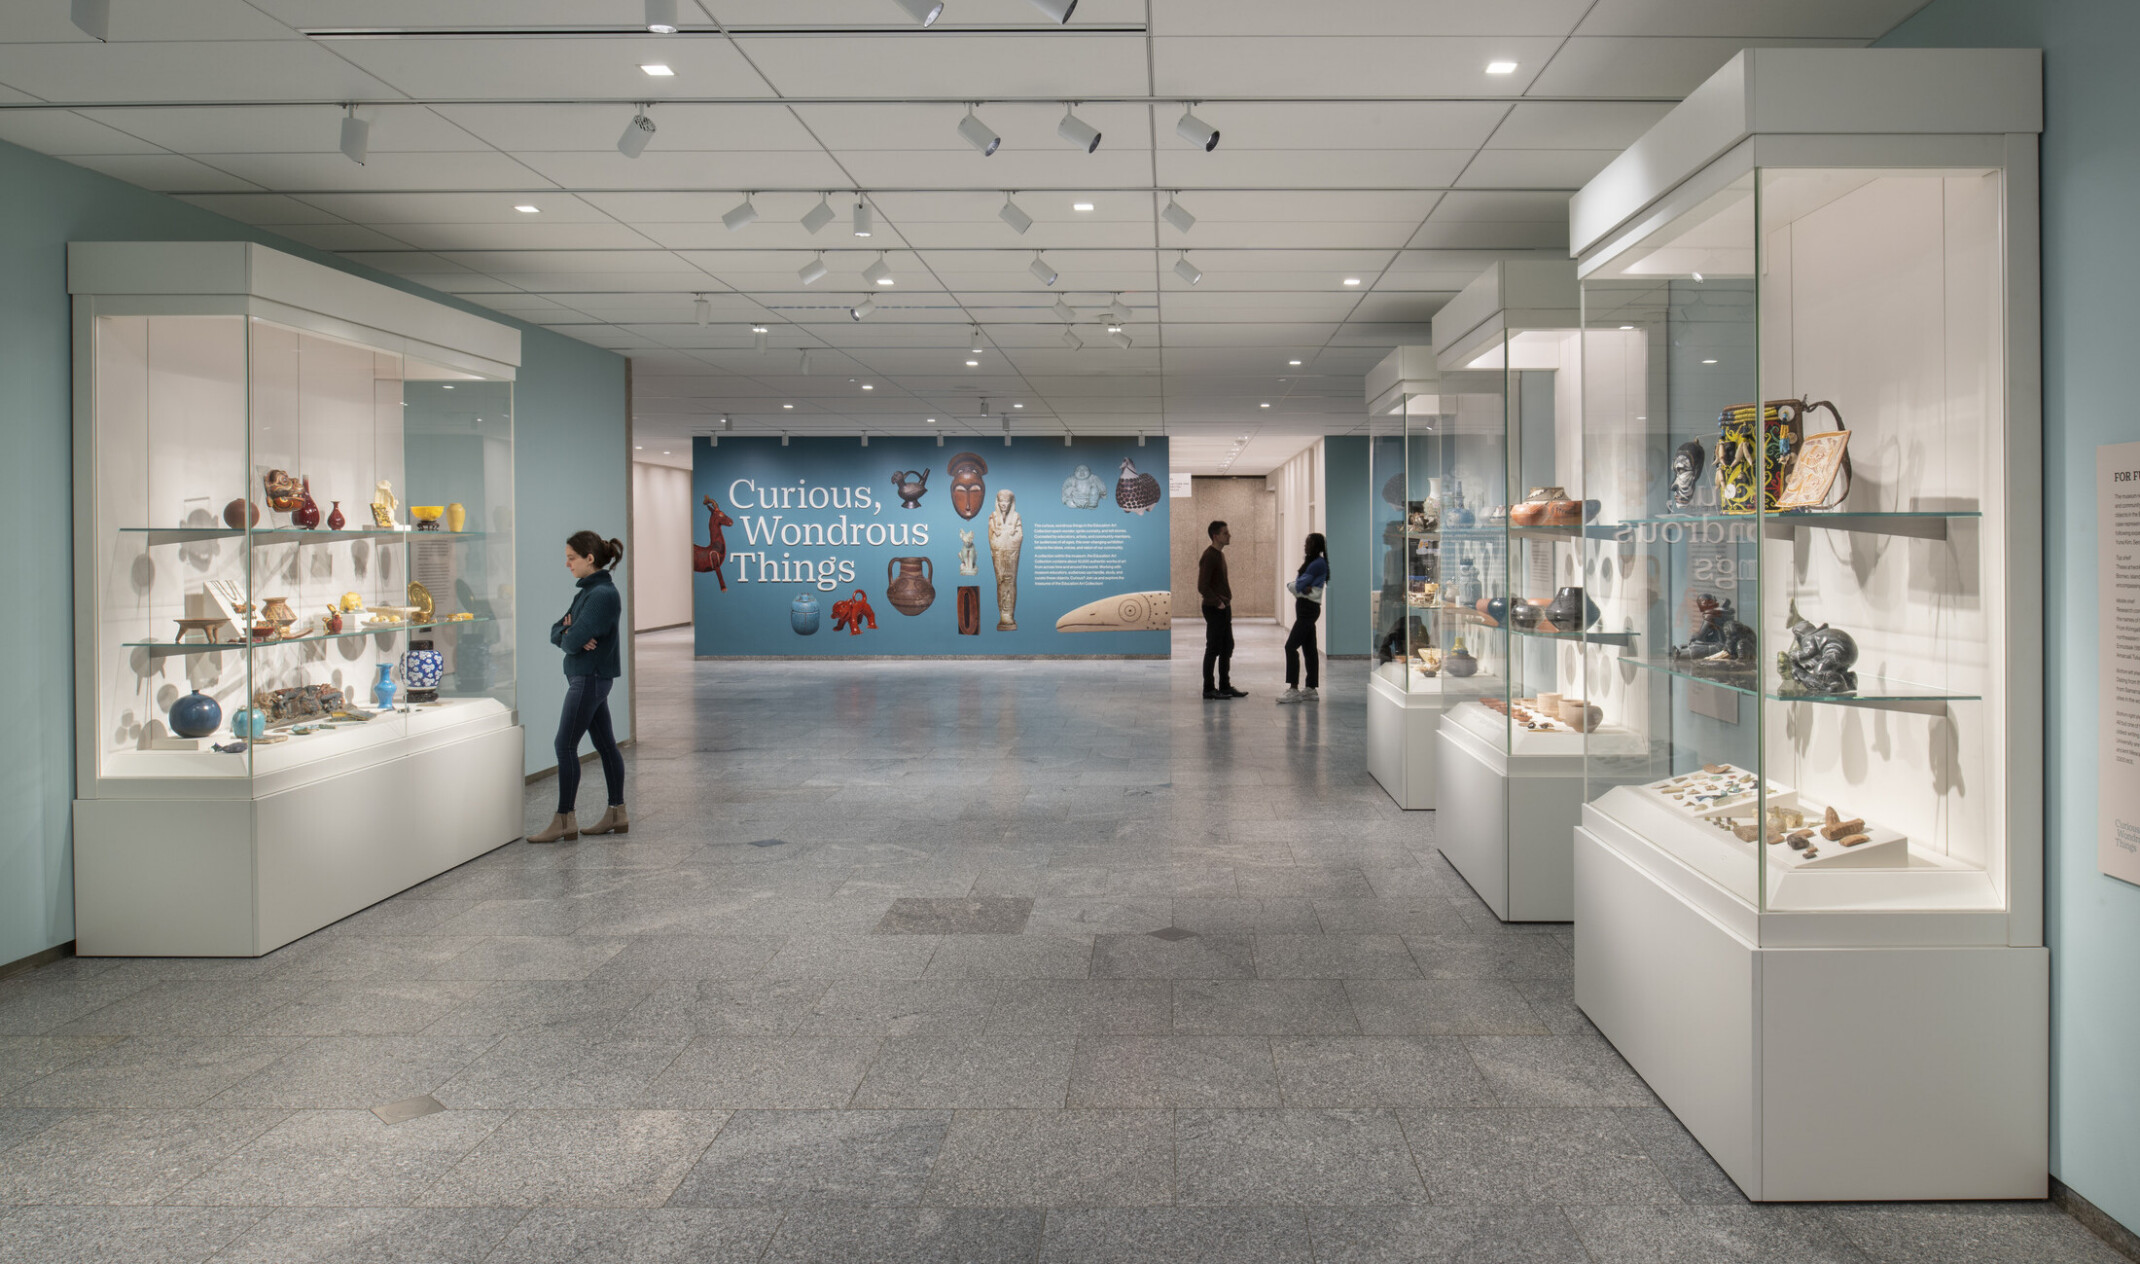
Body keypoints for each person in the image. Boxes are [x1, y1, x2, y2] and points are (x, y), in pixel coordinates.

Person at [529, 531, 628, 843]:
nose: (567, 563)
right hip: (588, 677)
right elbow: (557, 630)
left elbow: (571, 641)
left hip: (589, 678)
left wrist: (570, 634)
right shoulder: (587, 592)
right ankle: (617, 813)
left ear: (589, 558)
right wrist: (567, 632)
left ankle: (564, 819)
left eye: (572, 557)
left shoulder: (601, 596)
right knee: (606, 745)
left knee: (564, 745)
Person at [1277, 532, 1329, 704]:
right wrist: (1298, 586)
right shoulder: (1312, 563)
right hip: (1305, 608)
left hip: (1308, 609)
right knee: (1309, 648)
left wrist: (1296, 586)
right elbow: (1300, 586)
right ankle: (1311, 688)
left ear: (1317, 546)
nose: (1305, 546)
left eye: (1309, 543)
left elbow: (1298, 585)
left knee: (1290, 646)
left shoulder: (1317, 564)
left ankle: (1293, 688)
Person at [1198, 520, 1246, 700]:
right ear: (1215, 536)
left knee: (1227, 646)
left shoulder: (1219, 555)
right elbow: (1202, 586)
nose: (1229, 535)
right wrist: (1217, 602)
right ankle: (1209, 689)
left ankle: (1224, 686)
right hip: (1214, 608)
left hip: (1223, 606)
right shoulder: (1209, 556)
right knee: (1213, 648)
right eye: (1226, 533)